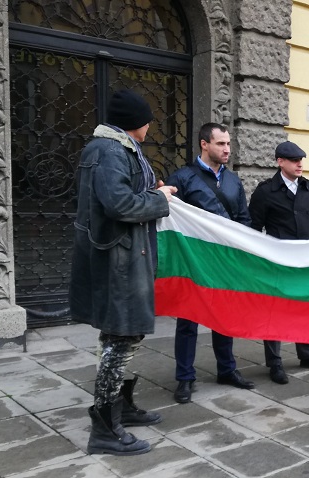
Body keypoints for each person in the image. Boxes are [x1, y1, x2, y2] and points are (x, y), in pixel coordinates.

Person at [70, 89, 176, 455]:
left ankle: (121, 406)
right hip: (119, 263)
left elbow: (124, 194)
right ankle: (105, 428)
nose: (150, 125)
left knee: (124, 336)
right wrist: (161, 201)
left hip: (126, 258)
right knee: (121, 338)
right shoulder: (110, 150)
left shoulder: (115, 149)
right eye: (147, 119)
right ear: (137, 122)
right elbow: (118, 204)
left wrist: (154, 191)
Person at [165, 123, 256, 404]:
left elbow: (243, 219)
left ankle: (227, 370)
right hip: (193, 262)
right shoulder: (182, 178)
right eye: (220, 144)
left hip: (225, 262)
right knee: (188, 320)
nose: (227, 149)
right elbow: (170, 218)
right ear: (204, 144)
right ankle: (184, 378)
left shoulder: (233, 181)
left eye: (228, 144)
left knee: (224, 317)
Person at [248, 141, 309, 384]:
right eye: (294, 160)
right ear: (280, 162)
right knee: (275, 311)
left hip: (306, 259)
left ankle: (306, 354)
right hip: (279, 261)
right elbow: (254, 229)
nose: (300, 164)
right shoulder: (265, 192)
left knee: (305, 307)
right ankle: (274, 363)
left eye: (301, 160)